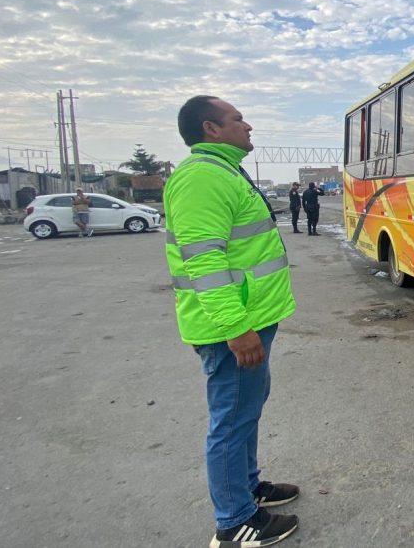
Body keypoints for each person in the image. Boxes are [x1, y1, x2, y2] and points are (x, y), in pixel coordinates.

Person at [164, 95, 300, 548]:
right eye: (238, 119)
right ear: (212, 128)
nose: (249, 126)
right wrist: (235, 328)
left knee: (246, 411)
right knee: (232, 419)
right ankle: (234, 522)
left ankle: (247, 488)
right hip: (235, 327)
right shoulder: (201, 178)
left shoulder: (222, 171)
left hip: (252, 318)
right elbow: (204, 262)